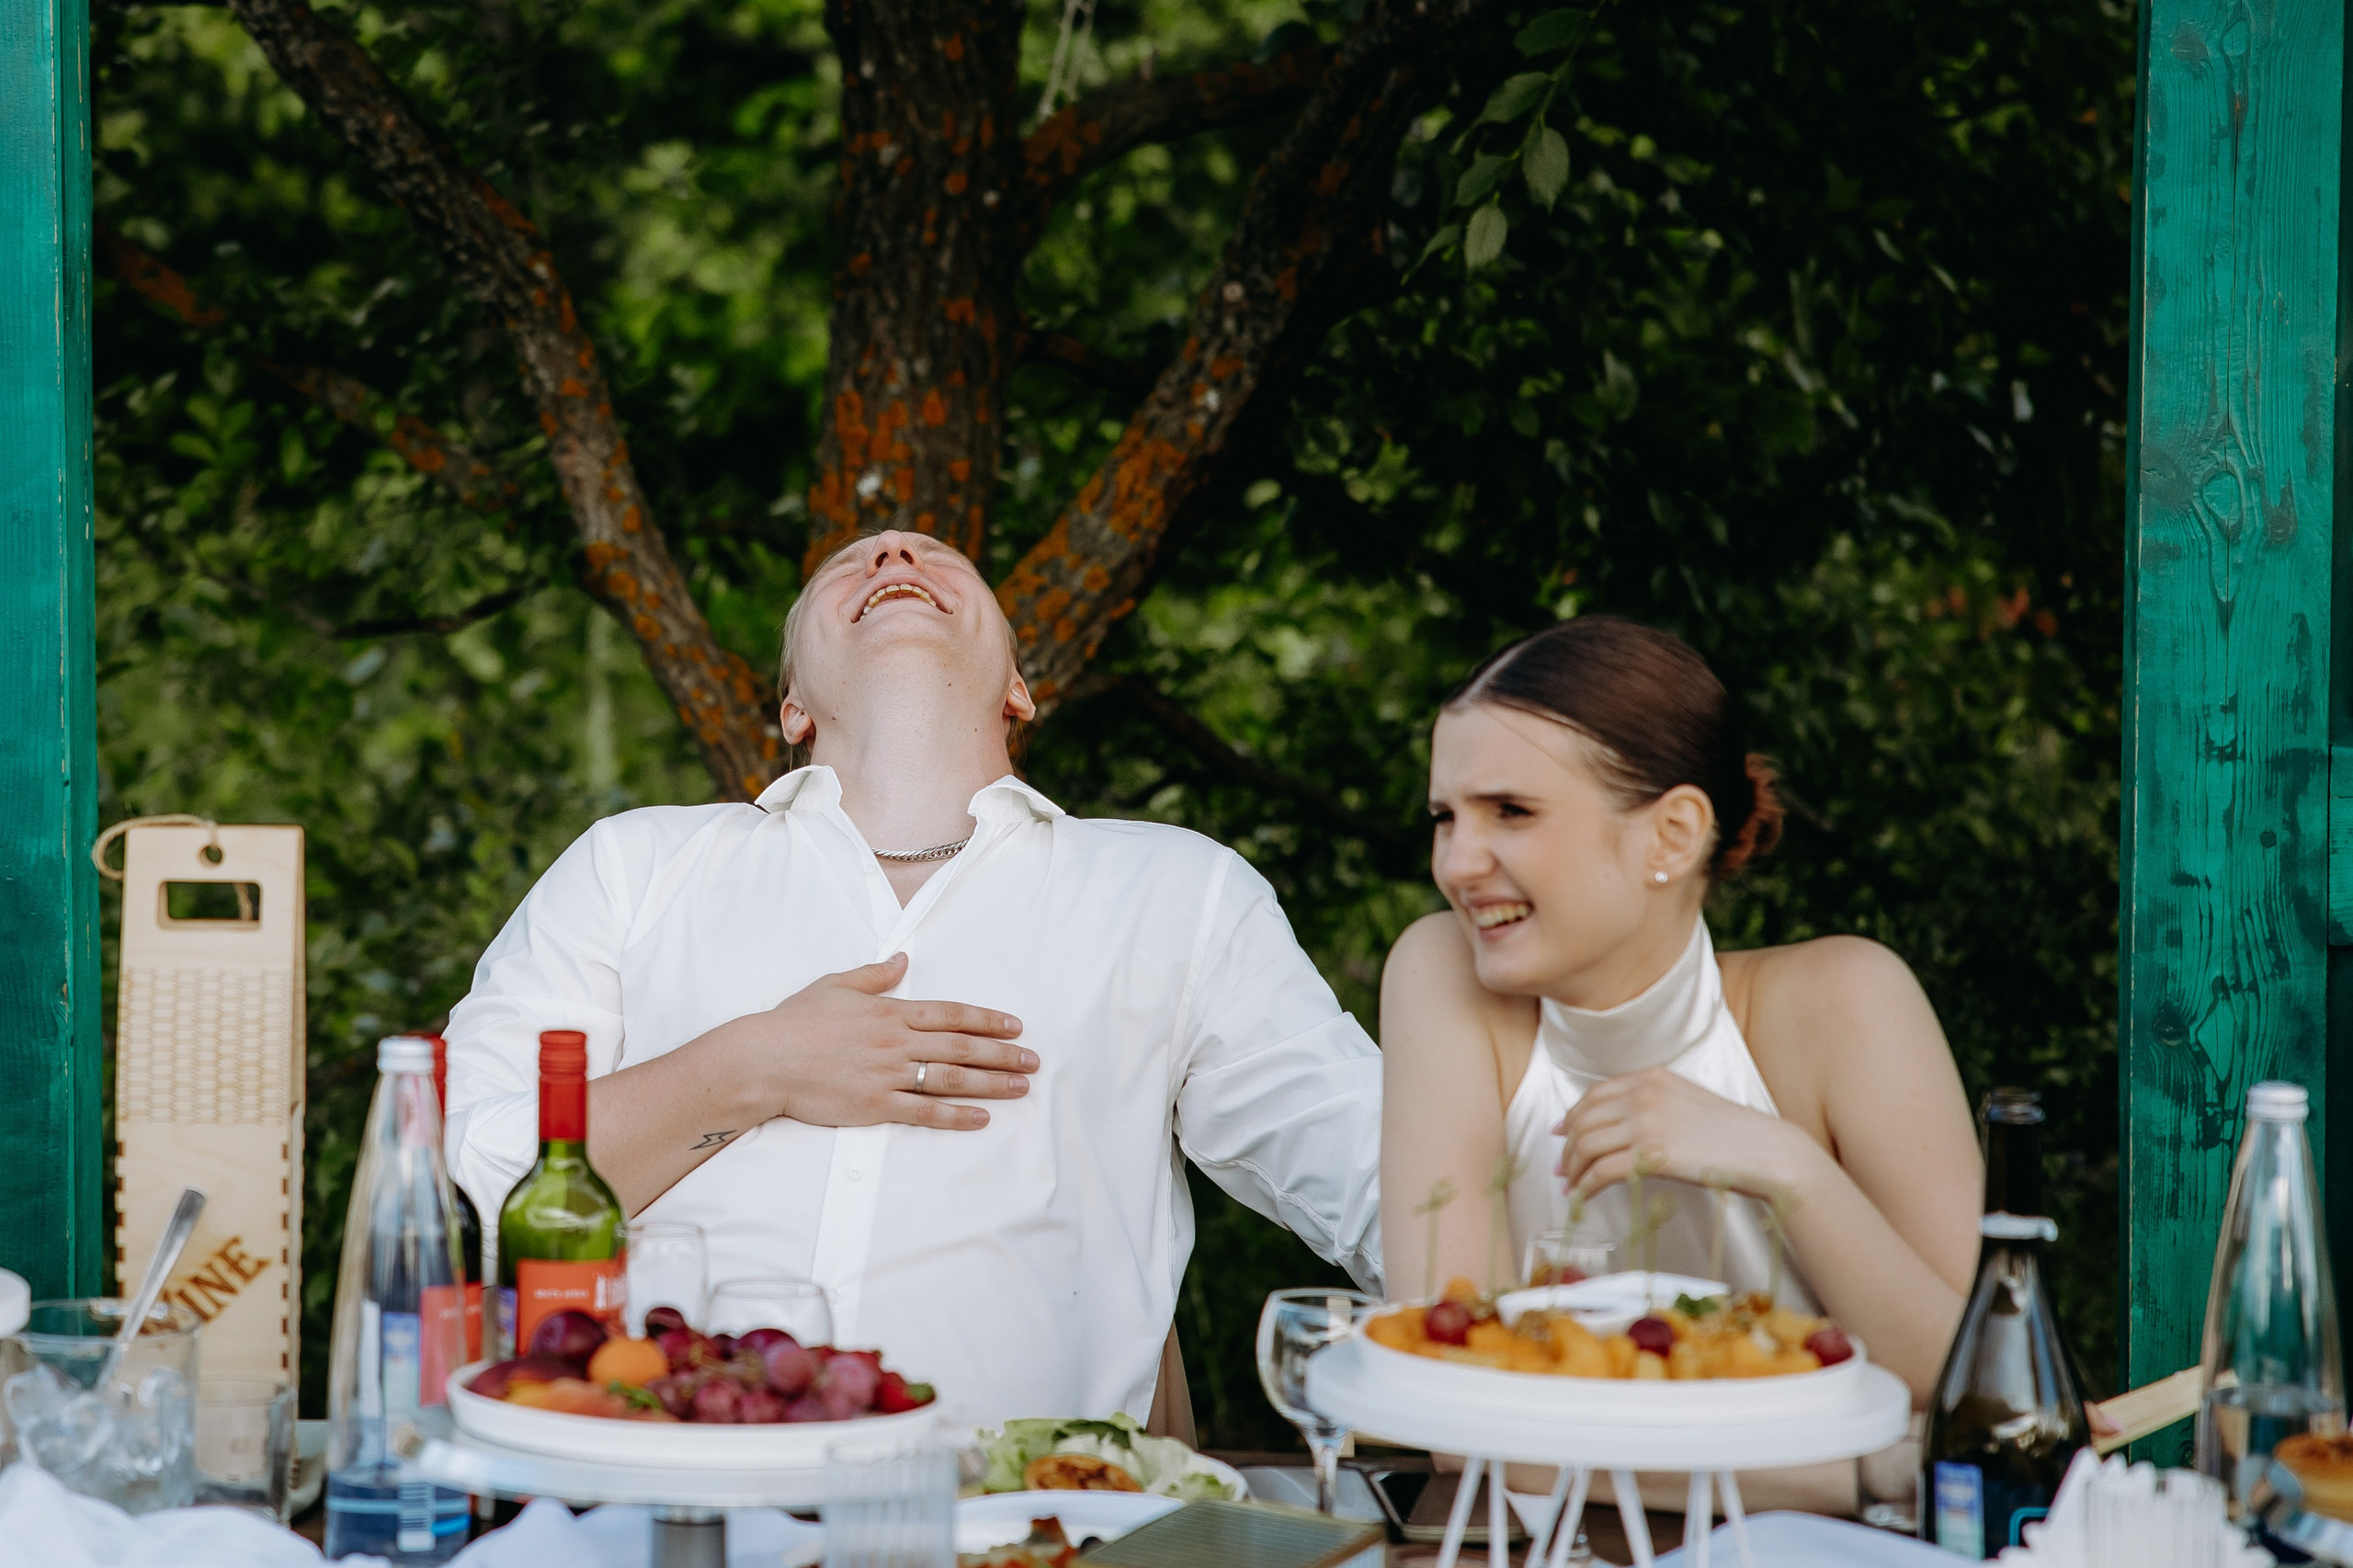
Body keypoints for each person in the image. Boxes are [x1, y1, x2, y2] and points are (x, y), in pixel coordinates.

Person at [442, 528, 1383, 1433]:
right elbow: (459, 1193)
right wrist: (747, 1069)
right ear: (793, 707)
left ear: (1017, 689)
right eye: (849, 564)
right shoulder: (633, 865)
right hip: (655, 1501)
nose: (894, 553)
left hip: (1025, 1524)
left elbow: (1379, 1180)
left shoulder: (1180, 892)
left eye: (939, 557)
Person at [1379, 616, 1981, 1411]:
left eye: (1512, 812)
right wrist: (1885, 1474)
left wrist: (1787, 1166)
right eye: (1445, 817)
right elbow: (1453, 1401)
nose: (1457, 864)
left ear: (1672, 835)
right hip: (1549, 1540)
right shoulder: (1444, 975)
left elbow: (1983, 1392)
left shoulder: (1846, 1002)